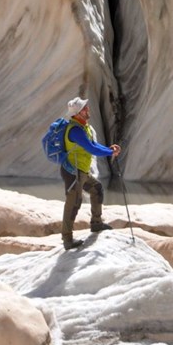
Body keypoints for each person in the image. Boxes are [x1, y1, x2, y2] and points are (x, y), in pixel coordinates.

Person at [61, 97, 121, 249]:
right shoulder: (75, 130)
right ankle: (67, 239)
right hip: (73, 172)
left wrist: (109, 149)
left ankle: (96, 223)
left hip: (82, 171)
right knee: (73, 203)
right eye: (84, 108)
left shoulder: (83, 127)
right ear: (78, 113)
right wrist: (110, 152)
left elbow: (93, 144)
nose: (88, 109)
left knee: (97, 189)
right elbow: (91, 148)